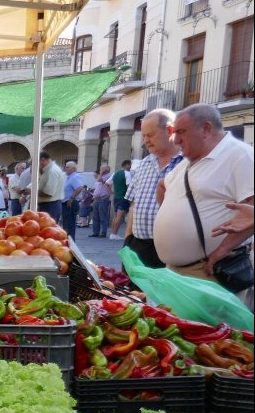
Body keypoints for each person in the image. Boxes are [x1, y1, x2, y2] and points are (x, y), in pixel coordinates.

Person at [155, 103, 254, 295]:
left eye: (181, 132)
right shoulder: (187, 161)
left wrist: (222, 250)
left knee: (211, 326)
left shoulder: (241, 156)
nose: (175, 140)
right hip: (176, 272)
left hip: (209, 272)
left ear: (206, 128)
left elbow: (251, 213)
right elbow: (162, 186)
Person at [124, 109, 182, 269]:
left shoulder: (187, 164)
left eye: (150, 135)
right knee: (133, 293)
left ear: (170, 131)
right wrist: (128, 240)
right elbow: (134, 205)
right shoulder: (143, 164)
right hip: (138, 247)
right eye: (144, 136)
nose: (145, 141)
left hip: (173, 251)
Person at [61, 161, 86, 239]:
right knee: (66, 224)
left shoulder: (75, 177)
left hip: (70, 203)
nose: (66, 168)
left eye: (68, 167)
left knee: (69, 225)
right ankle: (68, 241)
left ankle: (70, 242)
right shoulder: (69, 177)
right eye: (66, 167)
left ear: (74, 168)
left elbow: (79, 187)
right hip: (65, 203)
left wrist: (71, 198)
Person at [109, 159, 133, 239]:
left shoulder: (115, 173)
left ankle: (112, 233)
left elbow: (106, 183)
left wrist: (111, 192)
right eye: (130, 165)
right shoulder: (127, 174)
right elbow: (128, 186)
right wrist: (131, 198)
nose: (131, 167)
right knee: (120, 216)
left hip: (116, 197)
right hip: (123, 197)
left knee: (115, 216)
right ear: (127, 164)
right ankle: (115, 234)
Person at [90, 164, 113, 237]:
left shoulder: (108, 176)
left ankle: (103, 232)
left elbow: (98, 180)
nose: (100, 170)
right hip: (97, 199)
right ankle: (95, 232)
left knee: (103, 216)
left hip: (103, 198)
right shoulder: (102, 176)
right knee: (95, 216)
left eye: (101, 169)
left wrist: (101, 173)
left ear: (106, 169)